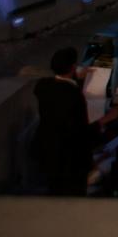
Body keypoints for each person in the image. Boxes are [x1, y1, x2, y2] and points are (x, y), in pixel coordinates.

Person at [31, 47, 92, 195]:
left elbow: (61, 88)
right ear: (73, 67)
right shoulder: (73, 95)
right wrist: (105, 120)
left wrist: (75, 78)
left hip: (47, 151)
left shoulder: (43, 86)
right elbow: (81, 132)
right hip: (69, 158)